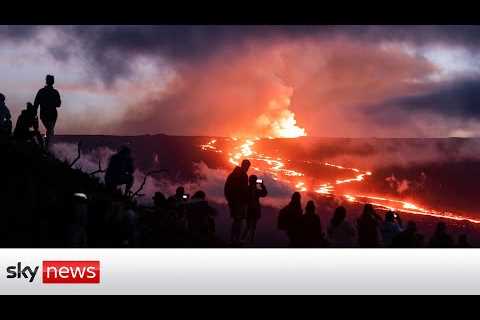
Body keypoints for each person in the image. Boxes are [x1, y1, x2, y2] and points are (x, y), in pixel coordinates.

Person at [224, 159, 250, 246]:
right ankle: (236, 240)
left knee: (236, 220)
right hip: (239, 202)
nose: (248, 168)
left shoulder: (232, 174)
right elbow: (244, 190)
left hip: (233, 201)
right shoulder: (243, 175)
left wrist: (229, 199)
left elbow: (226, 188)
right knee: (239, 221)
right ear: (245, 166)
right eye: (247, 166)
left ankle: (232, 239)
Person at [34, 74, 61, 148]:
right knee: (50, 130)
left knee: (50, 130)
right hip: (49, 115)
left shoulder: (42, 91)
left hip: (48, 115)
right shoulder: (54, 92)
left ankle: (47, 146)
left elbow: (36, 103)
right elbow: (58, 104)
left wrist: (35, 111)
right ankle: (47, 146)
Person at [242, 175, 268, 244]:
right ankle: (248, 240)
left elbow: (264, 194)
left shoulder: (249, 188)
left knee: (249, 226)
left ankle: (245, 239)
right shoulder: (254, 188)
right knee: (251, 226)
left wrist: (261, 185)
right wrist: (262, 185)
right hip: (253, 209)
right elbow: (264, 194)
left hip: (251, 209)